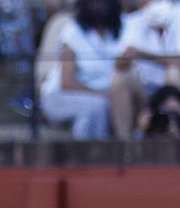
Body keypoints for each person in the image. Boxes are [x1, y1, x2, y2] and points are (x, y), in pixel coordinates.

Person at [110, 0, 180, 137]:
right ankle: (124, 143)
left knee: (173, 72)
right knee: (120, 79)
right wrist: (125, 57)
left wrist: (142, 54)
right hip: (150, 97)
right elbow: (119, 66)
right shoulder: (134, 21)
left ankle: (176, 129)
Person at [39, 0, 122, 139]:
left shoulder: (120, 31)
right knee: (96, 106)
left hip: (106, 97)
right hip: (60, 96)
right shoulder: (72, 31)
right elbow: (67, 83)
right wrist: (102, 95)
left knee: (106, 105)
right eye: (94, 3)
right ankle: (84, 154)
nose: (98, 7)